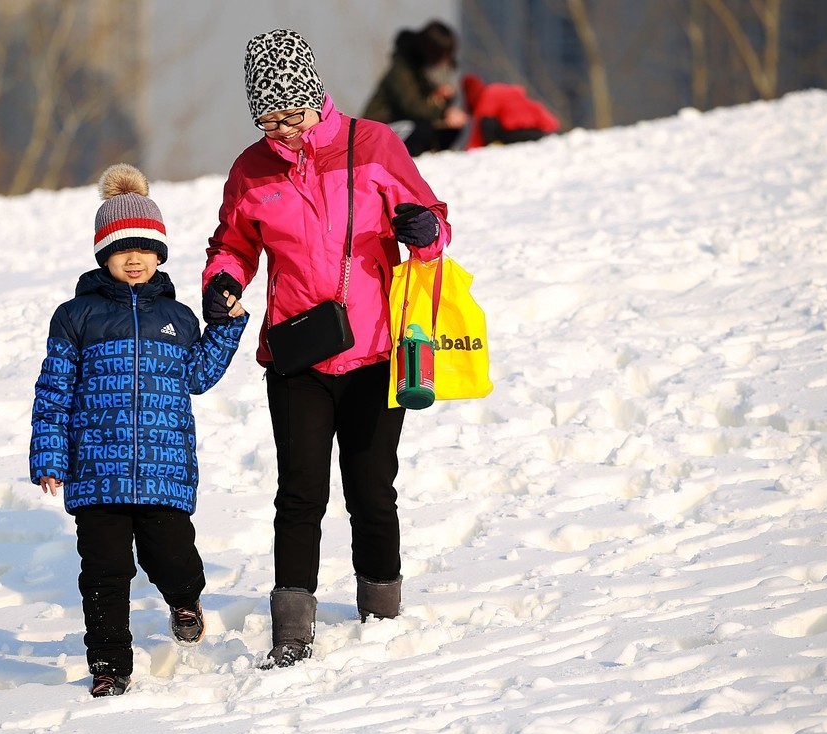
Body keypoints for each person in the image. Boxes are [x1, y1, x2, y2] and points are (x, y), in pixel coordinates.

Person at [201, 29, 451, 669]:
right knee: (300, 493)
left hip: (374, 352)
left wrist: (424, 228)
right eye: (267, 119)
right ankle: (292, 628)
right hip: (296, 356)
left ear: (313, 97)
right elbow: (233, 244)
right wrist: (223, 281)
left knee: (372, 489)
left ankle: (382, 612)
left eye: (289, 116)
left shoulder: (372, 146)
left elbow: (432, 226)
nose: (279, 132)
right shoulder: (251, 169)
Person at [30, 163, 248, 696]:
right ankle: (109, 666)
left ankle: (185, 599)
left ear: (160, 254)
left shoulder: (177, 316)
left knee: (172, 559)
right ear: (103, 254)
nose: (134, 258)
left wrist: (227, 326)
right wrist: (49, 455)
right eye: (122, 248)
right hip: (96, 472)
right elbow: (54, 391)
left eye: (146, 248)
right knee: (104, 574)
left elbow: (197, 377)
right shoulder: (74, 317)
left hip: (162, 471)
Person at [362, 20, 470, 156]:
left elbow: (423, 104)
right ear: (432, 51)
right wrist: (444, 112)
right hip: (379, 128)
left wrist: (440, 96)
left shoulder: (419, 69)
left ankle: (432, 156)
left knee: (450, 129)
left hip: (405, 123)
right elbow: (412, 106)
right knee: (421, 129)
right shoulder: (401, 70)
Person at [461, 73, 561, 150]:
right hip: (536, 133)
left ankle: (495, 144)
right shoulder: (514, 94)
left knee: (487, 121)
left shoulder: (487, 95)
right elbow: (547, 118)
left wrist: (469, 149)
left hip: (514, 132)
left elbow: (480, 126)